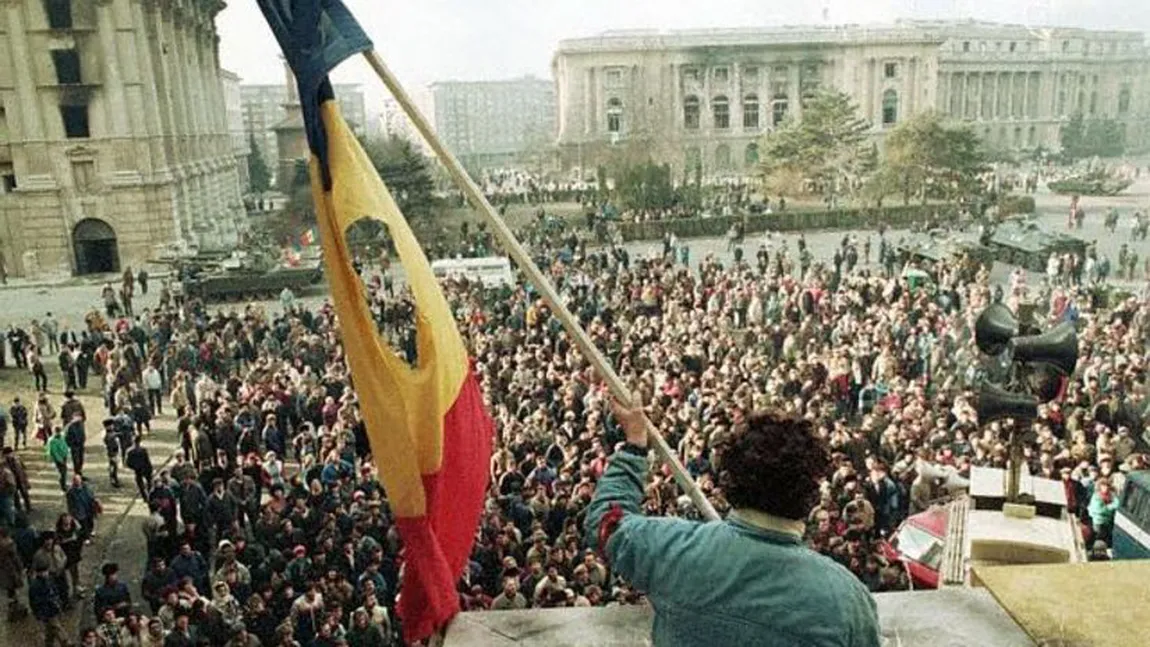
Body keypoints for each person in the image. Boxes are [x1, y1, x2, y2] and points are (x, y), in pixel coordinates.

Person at [585, 398, 880, 647]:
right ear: (812, 493)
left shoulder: (671, 549)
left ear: (729, 479)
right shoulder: (848, 600)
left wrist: (635, 446)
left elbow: (605, 521)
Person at [28, 562, 69, 647]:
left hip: (52, 610)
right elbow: (34, 602)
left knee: (52, 629)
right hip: (44, 612)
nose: (45, 573)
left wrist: (57, 603)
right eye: (43, 572)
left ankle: (60, 642)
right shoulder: (34, 585)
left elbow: (55, 590)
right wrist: (38, 613)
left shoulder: (49, 580)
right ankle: (64, 642)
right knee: (53, 629)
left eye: (45, 571)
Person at [0, 527, 28, 620]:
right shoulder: (10, 545)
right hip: (11, 571)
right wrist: (21, 569)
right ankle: (15, 610)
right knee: (14, 590)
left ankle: (12, 609)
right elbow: (16, 559)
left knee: (10, 592)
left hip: (4, 572)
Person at [47, 426, 70, 491]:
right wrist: (60, 460)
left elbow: (65, 445)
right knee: (62, 472)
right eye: (57, 432)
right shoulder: (52, 441)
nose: (59, 433)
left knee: (64, 471)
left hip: (64, 457)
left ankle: (64, 483)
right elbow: (54, 452)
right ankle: (63, 486)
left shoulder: (61, 437)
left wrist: (66, 452)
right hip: (58, 459)